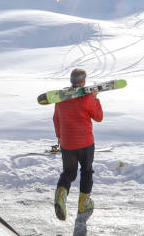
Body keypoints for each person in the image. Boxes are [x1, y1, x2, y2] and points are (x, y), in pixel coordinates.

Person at [53, 68, 103, 221]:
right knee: (86, 171)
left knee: (69, 173)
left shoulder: (61, 97)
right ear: (83, 81)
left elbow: (56, 119)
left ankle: (61, 194)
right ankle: (83, 204)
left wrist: (60, 137)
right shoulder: (87, 98)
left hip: (67, 143)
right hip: (85, 143)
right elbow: (99, 117)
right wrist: (95, 99)